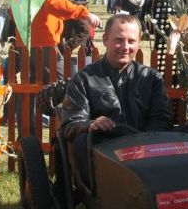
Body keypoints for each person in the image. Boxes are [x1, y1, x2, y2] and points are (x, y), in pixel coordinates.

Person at [60, 14, 174, 183]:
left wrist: (143, 141)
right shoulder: (83, 79)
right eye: (119, 40)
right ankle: (98, 195)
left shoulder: (152, 78)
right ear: (105, 40)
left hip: (144, 151)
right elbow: (70, 124)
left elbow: (162, 119)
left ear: (139, 42)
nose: (125, 47)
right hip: (103, 151)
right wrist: (91, 125)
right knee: (82, 141)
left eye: (131, 41)